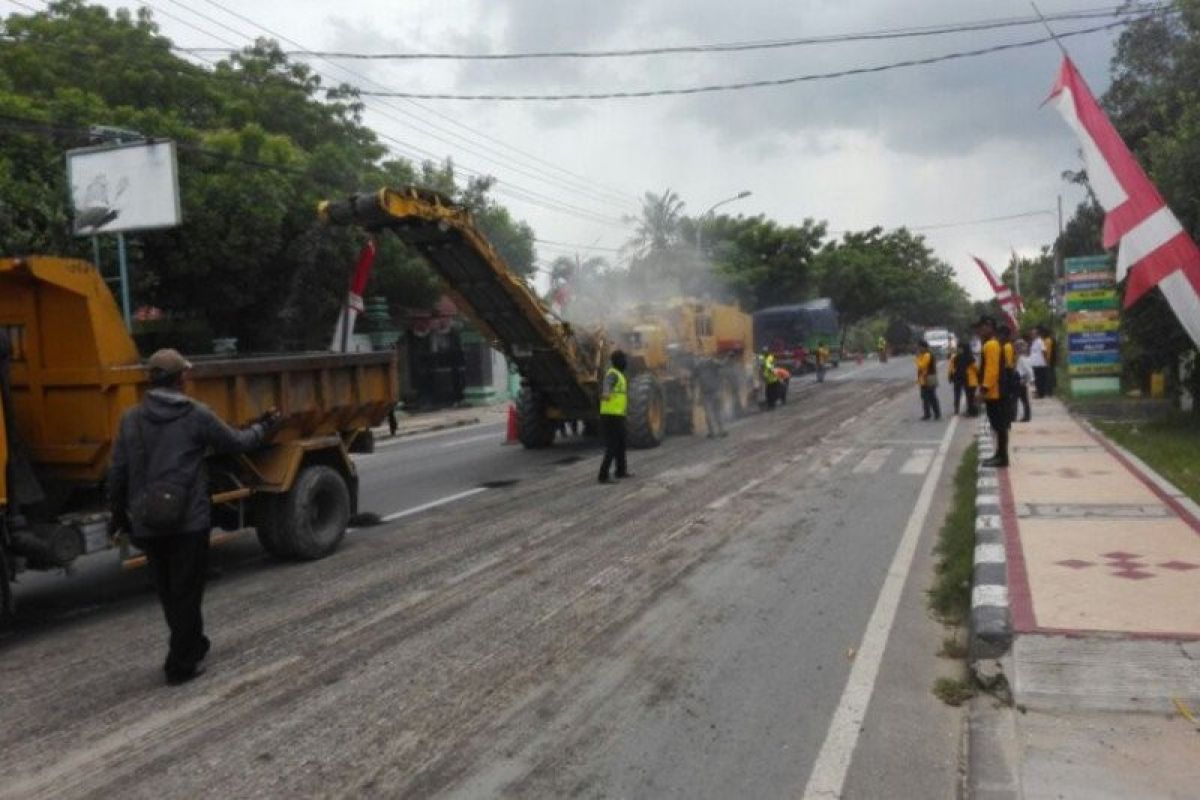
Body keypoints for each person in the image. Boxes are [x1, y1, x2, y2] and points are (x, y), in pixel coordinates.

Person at [108, 349, 279, 685]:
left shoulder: (131, 419)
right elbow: (236, 442)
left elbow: (118, 471)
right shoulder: (195, 414)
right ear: (181, 378)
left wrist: (117, 514)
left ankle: (192, 646)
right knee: (187, 591)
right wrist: (266, 426)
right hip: (188, 519)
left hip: (147, 519)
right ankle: (181, 663)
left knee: (169, 591)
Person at [978, 317, 1010, 467]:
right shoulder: (993, 343)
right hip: (996, 391)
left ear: (989, 327)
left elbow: (992, 370)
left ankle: (1002, 457)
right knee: (999, 426)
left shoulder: (991, 344)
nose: (979, 331)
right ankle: (999, 454)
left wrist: (983, 389)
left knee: (999, 426)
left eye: (982, 327)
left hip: (995, 392)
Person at [598, 349, 631, 483]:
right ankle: (603, 475)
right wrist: (606, 393)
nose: (625, 361)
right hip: (611, 416)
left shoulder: (620, 375)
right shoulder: (613, 374)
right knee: (612, 446)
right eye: (623, 359)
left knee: (621, 444)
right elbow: (607, 385)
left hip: (618, 415)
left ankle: (621, 471)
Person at [693, 356, 727, 438]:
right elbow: (722, 365)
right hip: (715, 391)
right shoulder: (713, 362)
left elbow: (694, 377)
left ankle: (712, 432)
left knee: (709, 413)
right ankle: (721, 431)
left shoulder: (698, 365)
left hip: (706, 393)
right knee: (717, 412)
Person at [915, 340, 941, 421]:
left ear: (924, 347)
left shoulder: (927, 355)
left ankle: (936, 413)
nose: (918, 349)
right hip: (924, 379)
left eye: (919, 347)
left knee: (931, 397)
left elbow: (922, 366)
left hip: (928, 379)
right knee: (925, 397)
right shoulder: (924, 354)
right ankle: (927, 414)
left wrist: (917, 359)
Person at [1015, 339, 1034, 422]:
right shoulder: (1021, 358)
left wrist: (1027, 379)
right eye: (1017, 347)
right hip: (1019, 379)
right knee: (1023, 399)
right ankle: (1025, 416)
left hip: (1021, 380)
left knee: (1023, 399)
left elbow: (1028, 371)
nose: (1017, 349)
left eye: (1019, 347)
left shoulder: (1023, 358)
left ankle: (1026, 416)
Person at [1028, 327, 1048, 398]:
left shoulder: (1040, 341)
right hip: (1035, 364)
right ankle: (1039, 392)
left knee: (1040, 379)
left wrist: (1046, 360)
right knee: (1037, 379)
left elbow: (1044, 351)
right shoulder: (1034, 342)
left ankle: (1040, 393)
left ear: (1036, 334)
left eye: (1033, 334)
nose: (1031, 335)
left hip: (1040, 364)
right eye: (1031, 334)